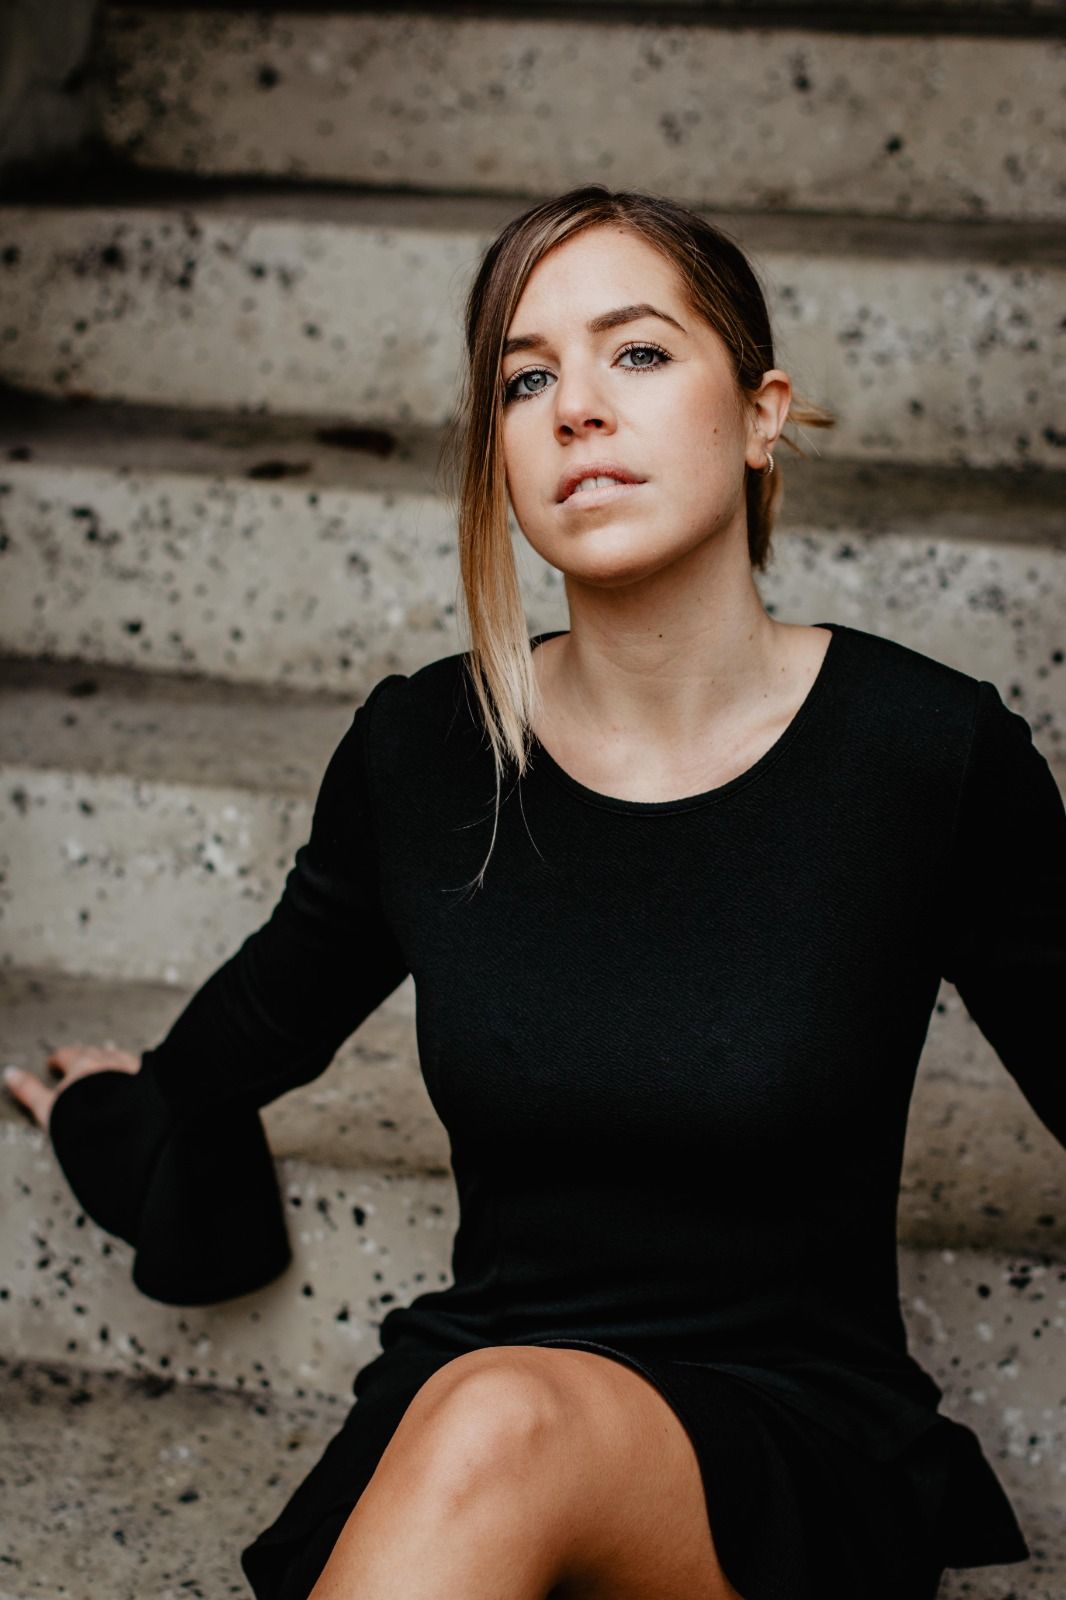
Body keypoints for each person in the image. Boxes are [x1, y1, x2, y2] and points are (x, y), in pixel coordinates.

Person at [5, 184, 1063, 1600]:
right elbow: (257, 1026)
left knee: (504, 1418)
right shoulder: (424, 755)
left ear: (761, 415)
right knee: (495, 1411)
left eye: (638, 353)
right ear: (497, 453)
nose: (576, 409)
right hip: (473, 1411)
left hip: (784, 1445)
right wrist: (109, 1109)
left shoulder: (925, 755)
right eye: (524, 378)